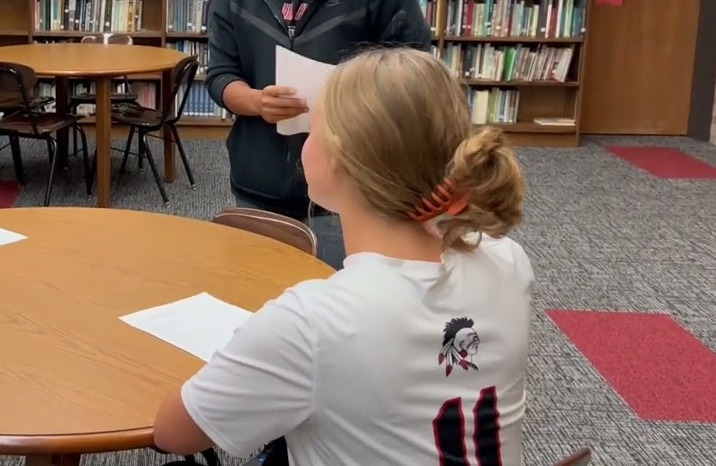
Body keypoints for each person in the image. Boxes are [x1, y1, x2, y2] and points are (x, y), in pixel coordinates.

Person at [153, 47, 532, 465]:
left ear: (338, 160)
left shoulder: (314, 321)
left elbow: (173, 433)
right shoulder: (508, 260)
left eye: (312, 128)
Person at [205, 0, 433, 269]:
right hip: (259, 181)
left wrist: (352, 104)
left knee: (340, 309)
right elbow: (219, 74)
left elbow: (416, 74)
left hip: (352, 188)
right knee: (259, 303)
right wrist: (253, 101)